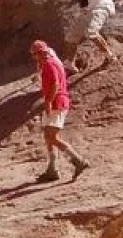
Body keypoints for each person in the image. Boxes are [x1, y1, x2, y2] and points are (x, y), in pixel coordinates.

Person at [28, 39, 87, 182]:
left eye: (34, 54)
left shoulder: (49, 64)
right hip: (55, 102)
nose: (33, 57)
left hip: (57, 102)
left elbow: (55, 84)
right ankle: (52, 169)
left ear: (40, 53)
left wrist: (48, 101)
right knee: (48, 136)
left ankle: (78, 161)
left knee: (52, 137)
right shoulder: (52, 62)